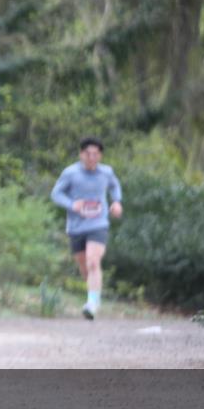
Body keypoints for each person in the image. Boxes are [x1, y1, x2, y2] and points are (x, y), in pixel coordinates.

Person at [50, 137, 124, 320]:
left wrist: (116, 202)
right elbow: (56, 194)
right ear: (81, 154)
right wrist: (72, 204)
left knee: (93, 261)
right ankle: (93, 294)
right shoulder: (70, 173)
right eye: (88, 154)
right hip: (76, 226)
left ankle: (92, 304)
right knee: (84, 266)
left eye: (95, 154)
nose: (92, 157)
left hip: (98, 223)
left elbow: (115, 187)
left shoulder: (106, 172)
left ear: (100, 155)